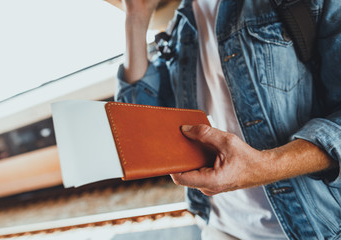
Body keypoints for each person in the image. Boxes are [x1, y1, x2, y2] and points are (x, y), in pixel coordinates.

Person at [116, 0, 341, 239]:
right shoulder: (180, 24)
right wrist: (136, 17)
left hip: (313, 229)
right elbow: (139, 124)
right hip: (220, 226)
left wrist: (266, 166)